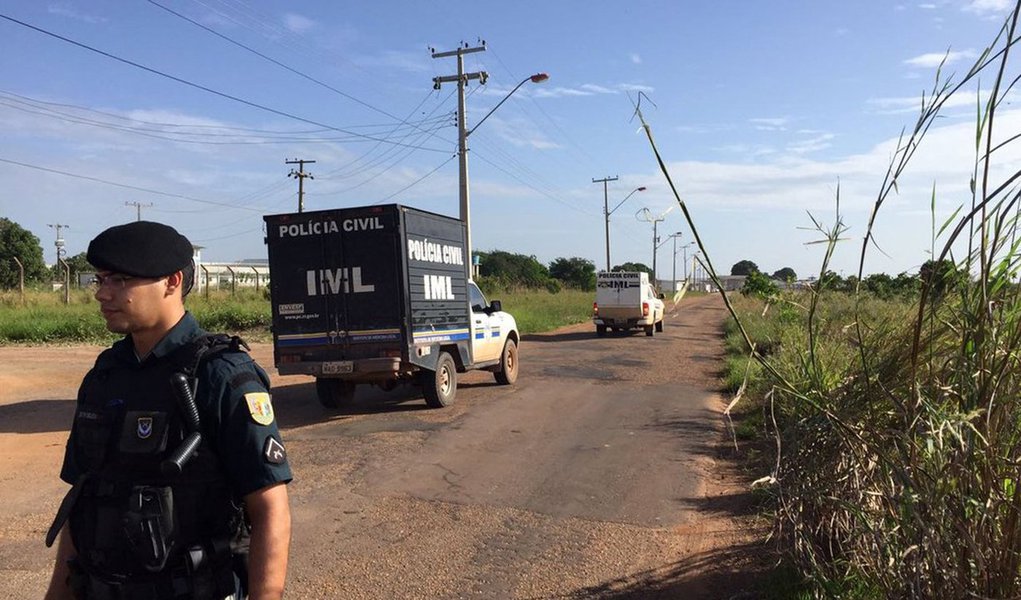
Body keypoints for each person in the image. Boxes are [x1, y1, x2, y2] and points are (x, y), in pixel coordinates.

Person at [44, 221, 292, 600]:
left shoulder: (220, 376)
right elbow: (81, 502)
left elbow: (270, 508)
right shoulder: (104, 376)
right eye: (100, 280)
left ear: (172, 282)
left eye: (120, 280)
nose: (102, 293)